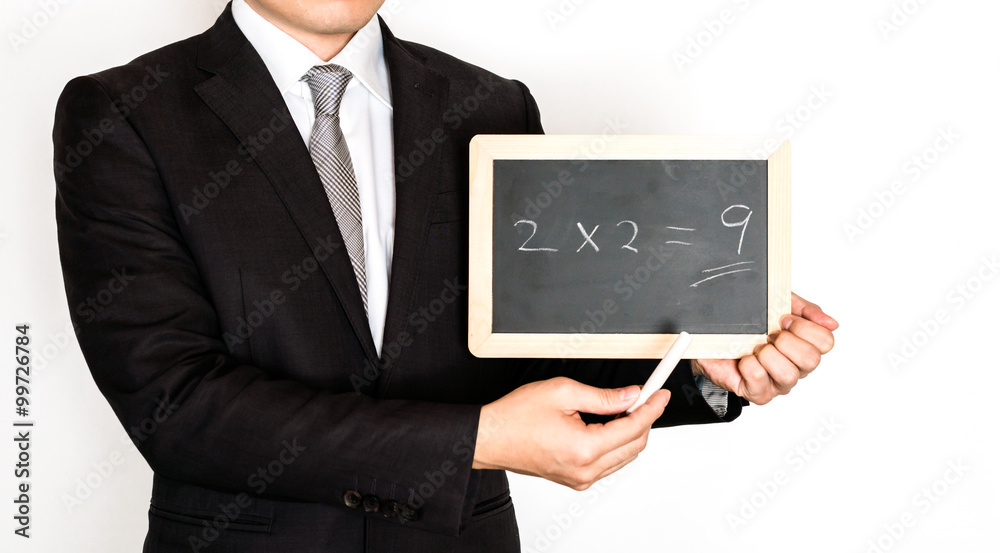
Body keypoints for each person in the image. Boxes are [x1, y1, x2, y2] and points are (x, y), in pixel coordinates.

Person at [53, 1, 837, 551]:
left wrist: (698, 364)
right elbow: (177, 405)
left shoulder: (490, 107)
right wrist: (477, 440)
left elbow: (538, 343)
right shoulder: (125, 115)